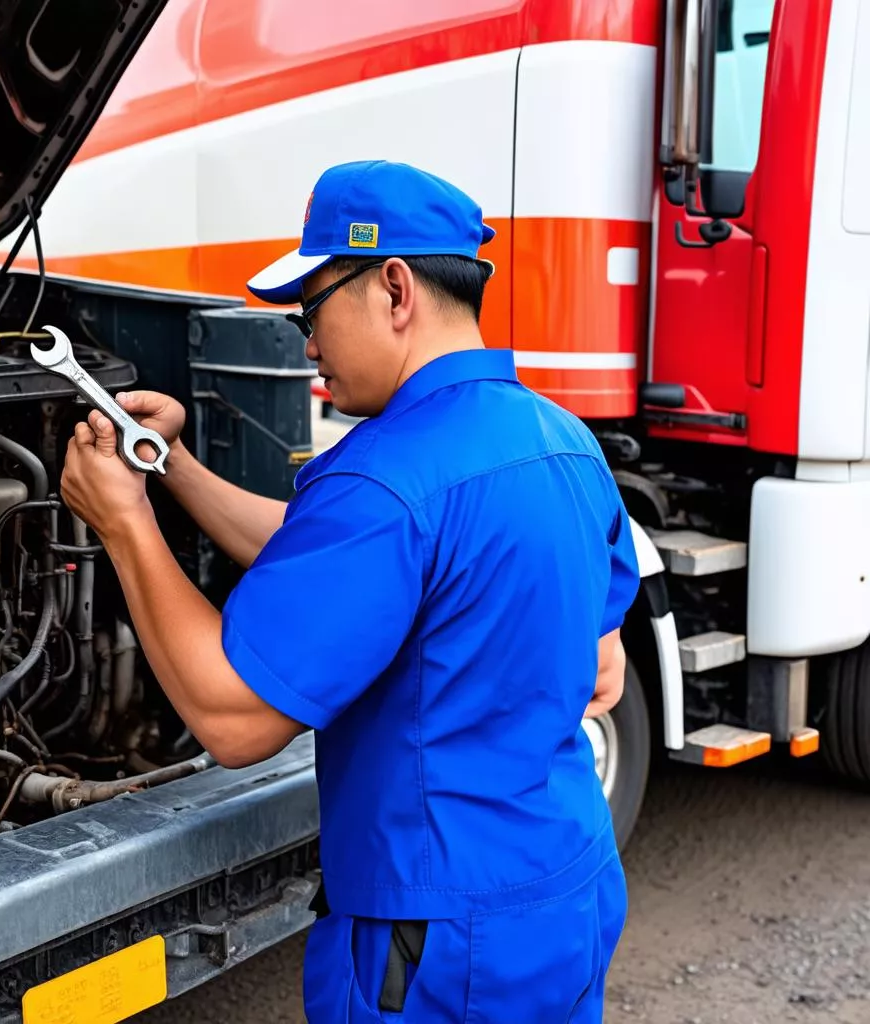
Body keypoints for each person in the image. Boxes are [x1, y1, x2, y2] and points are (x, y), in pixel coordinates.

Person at [60, 159, 641, 1022]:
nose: (307, 341)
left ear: (394, 289)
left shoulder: (382, 481)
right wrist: (167, 467)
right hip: (568, 884)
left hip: (438, 941)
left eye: (312, 308)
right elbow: (599, 659)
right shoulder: (560, 440)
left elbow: (234, 719)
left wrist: (122, 527)